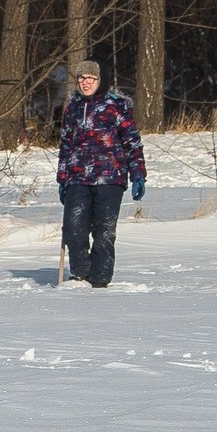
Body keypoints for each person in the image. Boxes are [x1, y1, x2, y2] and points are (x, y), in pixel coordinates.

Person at [56, 59, 145, 289]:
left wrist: (138, 175)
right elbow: (65, 144)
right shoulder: (73, 107)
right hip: (77, 177)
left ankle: (100, 280)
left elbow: (132, 143)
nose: (85, 83)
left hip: (110, 177)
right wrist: (62, 178)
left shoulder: (116, 106)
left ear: (99, 80)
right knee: (74, 229)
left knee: (104, 232)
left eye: (90, 78)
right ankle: (80, 274)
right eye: (81, 78)